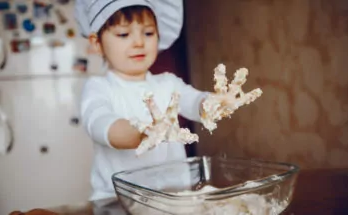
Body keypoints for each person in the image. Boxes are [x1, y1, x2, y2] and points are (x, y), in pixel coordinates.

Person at [75, 0, 240, 201]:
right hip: (118, 200)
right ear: (97, 43)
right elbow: (99, 123)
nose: (138, 42)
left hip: (174, 196)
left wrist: (212, 104)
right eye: (123, 34)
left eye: (148, 33)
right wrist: (139, 132)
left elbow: (193, 101)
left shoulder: (168, 83)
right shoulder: (99, 87)